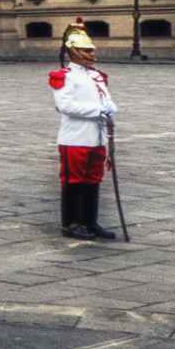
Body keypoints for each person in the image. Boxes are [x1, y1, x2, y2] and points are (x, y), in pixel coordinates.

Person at [50, 23, 119, 241]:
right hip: (75, 138)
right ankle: (71, 223)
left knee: (93, 179)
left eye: (92, 50)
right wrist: (97, 110)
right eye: (87, 50)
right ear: (73, 51)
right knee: (73, 181)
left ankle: (90, 221)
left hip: (97, 138)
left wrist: (110, 107)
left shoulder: (97, 75)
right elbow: (65, 106)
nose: (92, 53)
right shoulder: (65, 76)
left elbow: (104, 99)